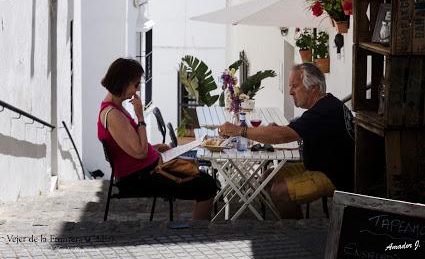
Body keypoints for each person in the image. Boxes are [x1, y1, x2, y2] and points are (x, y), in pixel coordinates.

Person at [219, 62, 354, 218]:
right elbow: (289, 130)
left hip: (334, 176)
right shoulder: (325, 105)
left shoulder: (324, 111)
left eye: (294, 86)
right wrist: (279, 129)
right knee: (268, 176)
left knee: (280, 192)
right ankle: (292, 221)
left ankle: (295, 234)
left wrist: (240, 131)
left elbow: (282, 136)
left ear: (313, 88)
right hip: (317, 166)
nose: (290, 92)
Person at [98, 58, 217, 220]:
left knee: (205, 180)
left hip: (149, 168)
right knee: (207, 186)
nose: (137, 90)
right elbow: (139, 153)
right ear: (123, 83)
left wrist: (154, 148)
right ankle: (197, 233)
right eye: (135, 85)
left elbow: (129, 146)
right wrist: (140, 116)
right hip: (140, 177)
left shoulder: (116, 109)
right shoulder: (113, 115)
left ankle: (197, 228)